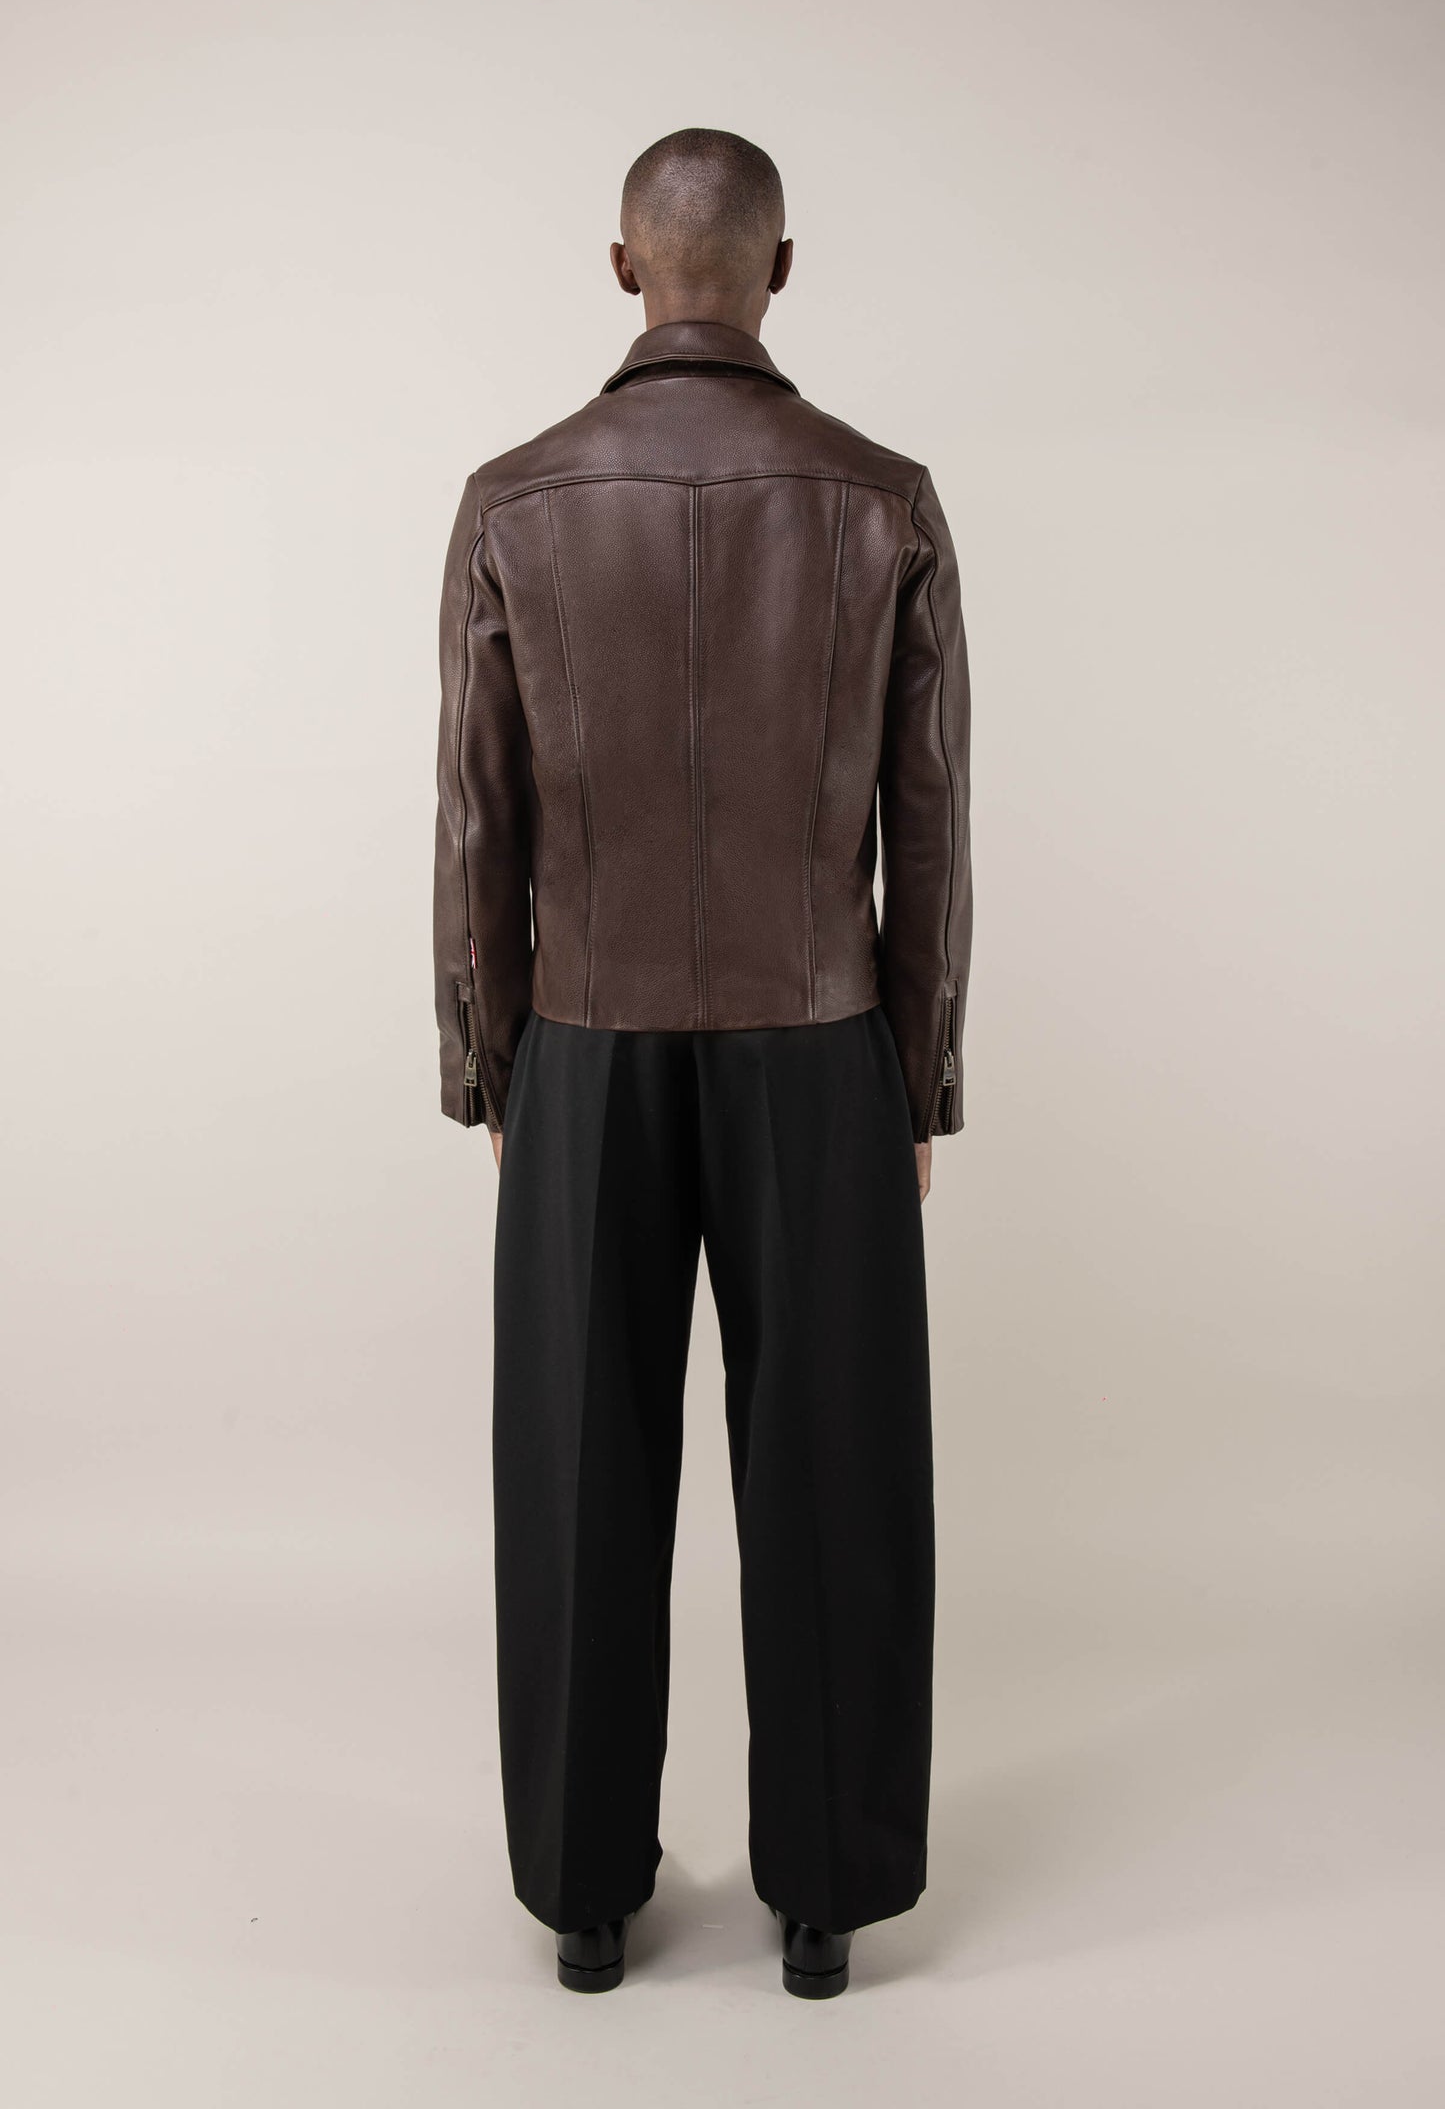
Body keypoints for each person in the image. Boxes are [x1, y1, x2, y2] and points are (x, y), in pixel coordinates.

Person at [432, 127, 972, 1999]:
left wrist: (492, 1063)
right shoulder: (883, 499)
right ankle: (822, 1900)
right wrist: (918, 1073)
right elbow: (928, 817)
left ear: (622, 269)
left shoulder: (512, 502)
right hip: (819, 1043)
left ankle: (585, 1898)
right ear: (779, 271)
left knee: (577, 1466)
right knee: (831, 1467)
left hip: (583, 1044)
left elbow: (475, 815)